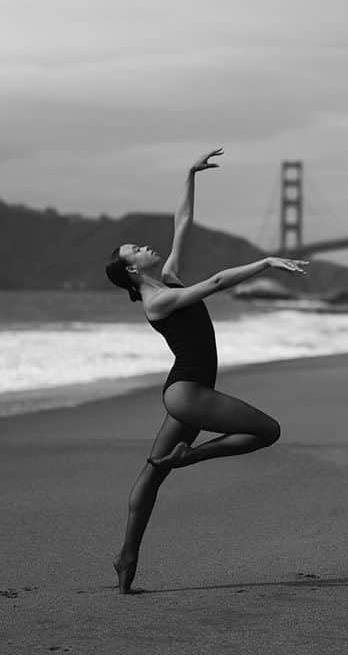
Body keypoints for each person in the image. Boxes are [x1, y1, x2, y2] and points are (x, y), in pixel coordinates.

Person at [104, 149, 308, 594]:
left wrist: (189, 176)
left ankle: (127, 559)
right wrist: (265, 262)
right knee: (267, 431)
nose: (144, 246)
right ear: (132, 269)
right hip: (188, 392)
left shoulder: (170, 278)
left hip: (185, 392)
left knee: (153, 473)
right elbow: (215, 283)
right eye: (135, 249)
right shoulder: (158, 301)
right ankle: (191, 458)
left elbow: (182, 222)